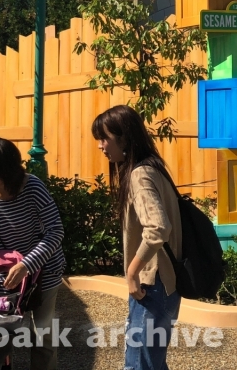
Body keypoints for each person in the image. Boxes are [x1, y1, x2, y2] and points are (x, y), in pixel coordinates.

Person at [0, 137, 66, 370]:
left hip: (43, 271)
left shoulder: (33, 187)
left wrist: (27, 265)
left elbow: (55, 231)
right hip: (2, 276)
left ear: (7, 171)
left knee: (42, 335)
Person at [92, 105, 183, 370]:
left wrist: (132, 272)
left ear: (124, 138)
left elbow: (158, 228)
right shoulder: (154, 168)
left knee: (138, 365)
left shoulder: (140, 175)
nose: (100, 146)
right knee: (151, 363)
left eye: (104, 138)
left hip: (151, 285)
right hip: (165, 286)